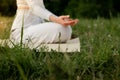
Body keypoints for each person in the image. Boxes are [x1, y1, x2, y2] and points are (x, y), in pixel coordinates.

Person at [10, 0, 79, 48]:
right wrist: (56, 19)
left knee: (66, 28)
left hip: (33, 28)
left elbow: (41, 10)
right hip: (21, 32)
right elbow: (34, 8)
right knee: (63, 29)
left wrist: (58, 20)